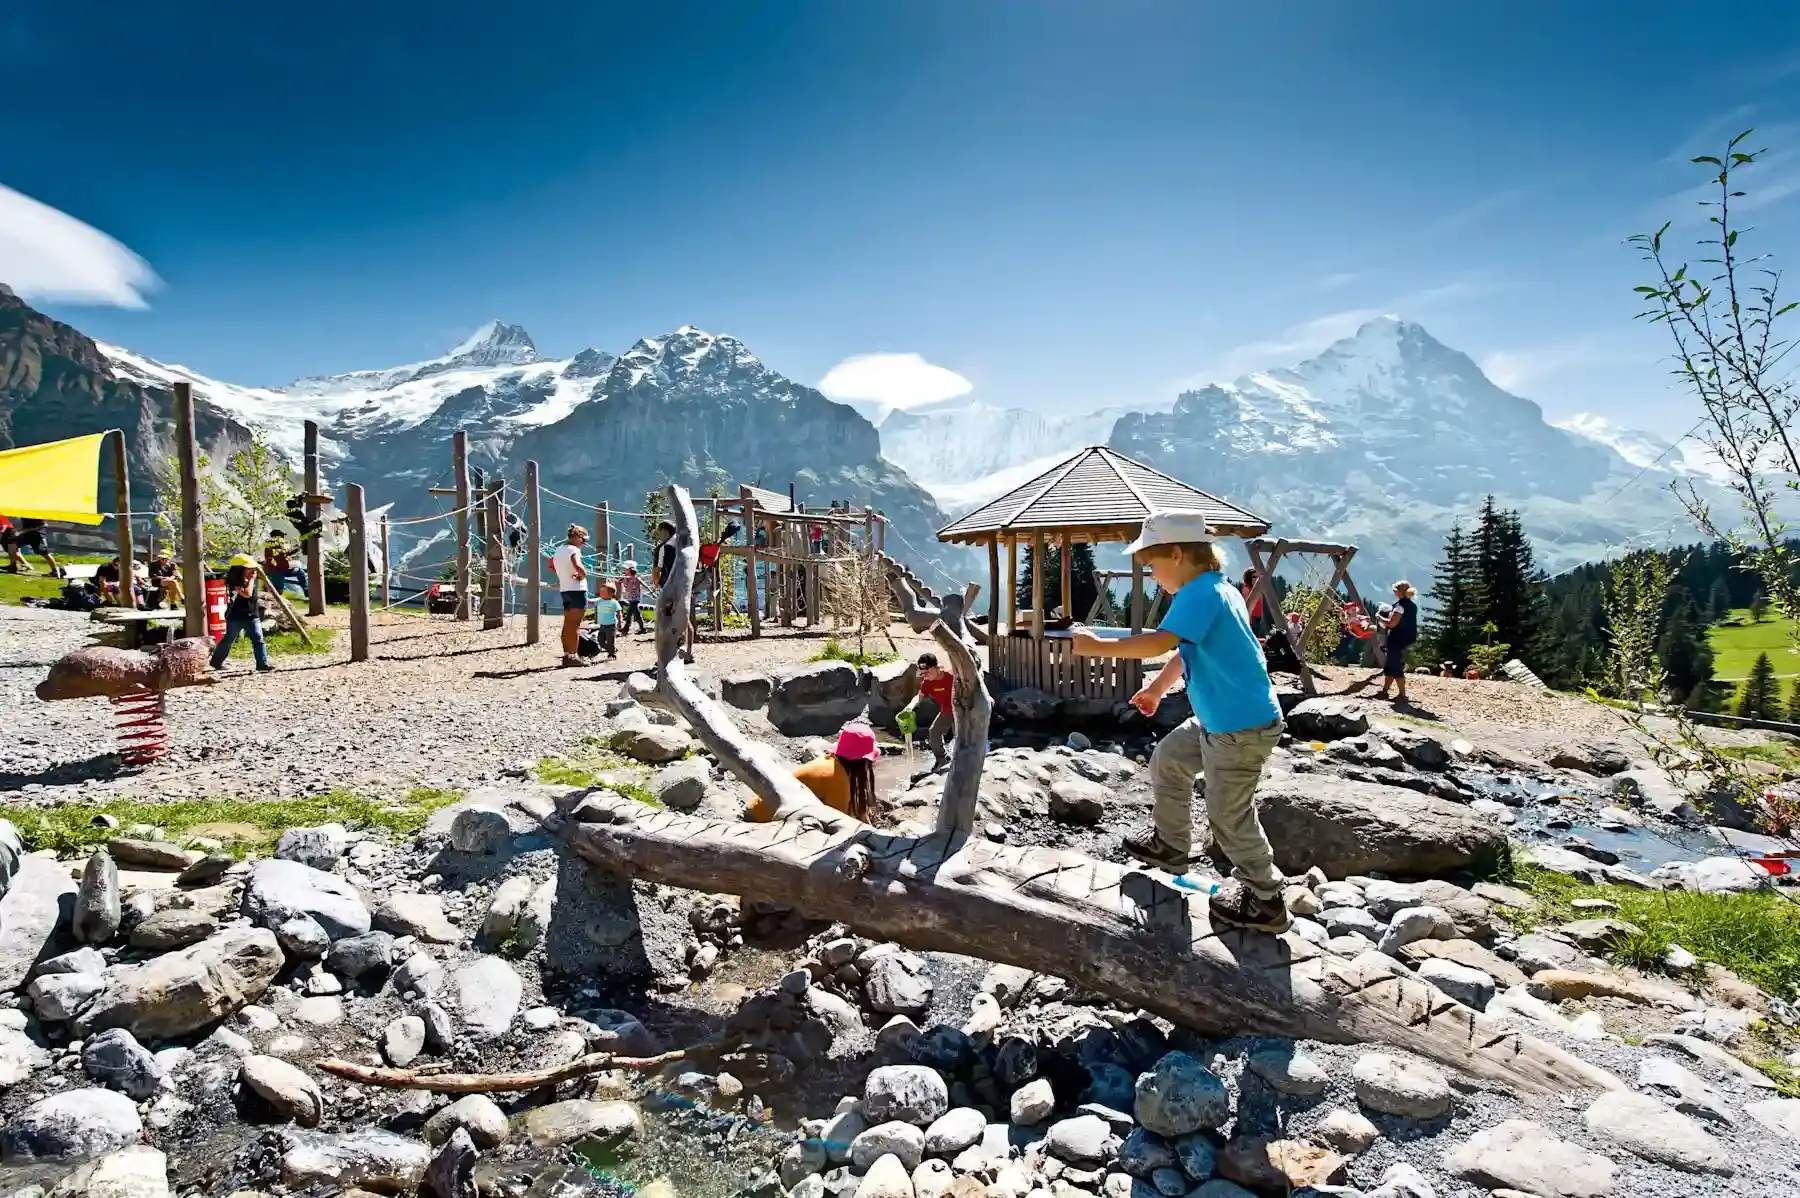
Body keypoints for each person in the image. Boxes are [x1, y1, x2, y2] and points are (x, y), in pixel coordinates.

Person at [1070, 510, 1289, 933]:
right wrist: (1156, 690)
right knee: (1170, 758)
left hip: (1237, 728)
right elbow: (1183, 650)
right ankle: (1171, 844)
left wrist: (1096, 645)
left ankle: (1266, 898)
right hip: (1222, 720)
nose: (1152, 575)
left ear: (1176, 553)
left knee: (1228, 815)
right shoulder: (1216, 587)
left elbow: (1158, 643)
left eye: (1152, 565)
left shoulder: (1199, 593)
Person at [745, 722, 883, 823]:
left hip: (759, 808)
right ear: (861, 762)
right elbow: (837, 824)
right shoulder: (838, 779)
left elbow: (855, 808)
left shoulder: (833, 763)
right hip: (761, 821)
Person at [210, 554, 273, 673]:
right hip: (236, 616)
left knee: (258, 638)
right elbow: (247, 593)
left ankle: (262, 664)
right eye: (249, 568)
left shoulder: (249, 578)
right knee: (228, 640)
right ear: (240, 569)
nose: (253, 570)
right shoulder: (234, 581)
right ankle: (216, 662)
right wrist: (252, 580)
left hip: (252, 614)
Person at [897, 652, 956, 771]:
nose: (925, 675)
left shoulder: (951, 676)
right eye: (923, 673)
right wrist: (910, 707)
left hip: (962, 709)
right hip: (947, 710)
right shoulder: (927, 682)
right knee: (934, 732)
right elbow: (920, 696)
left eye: (928, 672)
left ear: (937, 667)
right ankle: (942, 759)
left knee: (960, 735)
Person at [653, 520, 695, 664]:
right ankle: (688, 652)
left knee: (664, 621)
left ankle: (665, 656)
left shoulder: (663, 547)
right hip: (684, 586)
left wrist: (657, 585)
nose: (658, 535)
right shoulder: (684, 545)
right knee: (686, 619)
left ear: (664, 530)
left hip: (668, 589)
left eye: (659, 531)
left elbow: (657, 570)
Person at [551, 525, 589, 667]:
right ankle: (573, 656)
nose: (584, 543)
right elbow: (578, 566)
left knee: (567, 624)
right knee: (574, 626)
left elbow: (552, 565)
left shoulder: (559, 550)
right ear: (578, 537)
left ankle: (567, 654)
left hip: (565, 590)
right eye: (584, 539)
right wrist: (582, 574)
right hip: (577, 591)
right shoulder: (574, 550)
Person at [1375, 580, 1419, 703]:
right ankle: (1384, 692)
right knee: (1391, 665)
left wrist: (1379, 617)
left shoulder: (1400, 606)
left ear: (1399, 592)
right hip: (1406, 639)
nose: (1394, 591)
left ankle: (1402, 695)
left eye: (1395, 590)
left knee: (1395, 667)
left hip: (1397, 640)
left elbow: (1392, 624)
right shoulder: (1412, 605)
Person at [262, 530, 307, 596]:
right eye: (282, 536)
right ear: (277, 536)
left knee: (300, 572)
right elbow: (286, 552)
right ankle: (274, 601)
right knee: (278, 591)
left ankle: (307, 591)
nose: (283, 537)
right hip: (276, 570)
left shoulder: (270, 544)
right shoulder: (275, 543)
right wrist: (298, 548)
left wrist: (293, 553)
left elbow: (284, 554)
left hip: (280, 568)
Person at [593, 580, 620, 660]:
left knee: (610, 641)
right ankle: (611, 650)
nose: (601, 593)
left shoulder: (614, 602)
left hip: (611, 626)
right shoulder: (599, 601)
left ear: (611, 593)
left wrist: (620, 622)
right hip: (602, 625)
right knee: (600, 641)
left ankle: (611, 655)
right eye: (601, 591)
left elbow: (619, 613)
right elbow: (591, 602)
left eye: (604, 591)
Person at [617, 563, 647, 634]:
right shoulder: (626, 578)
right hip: (630, 599)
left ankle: (626, 628)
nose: (625, 572)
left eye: (627, 571)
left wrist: (651, 589)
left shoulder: (637, 578)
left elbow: (644, 584)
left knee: (629, 613)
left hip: (635, 599)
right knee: (637, 614)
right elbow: (618, 581)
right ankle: (643, 628)